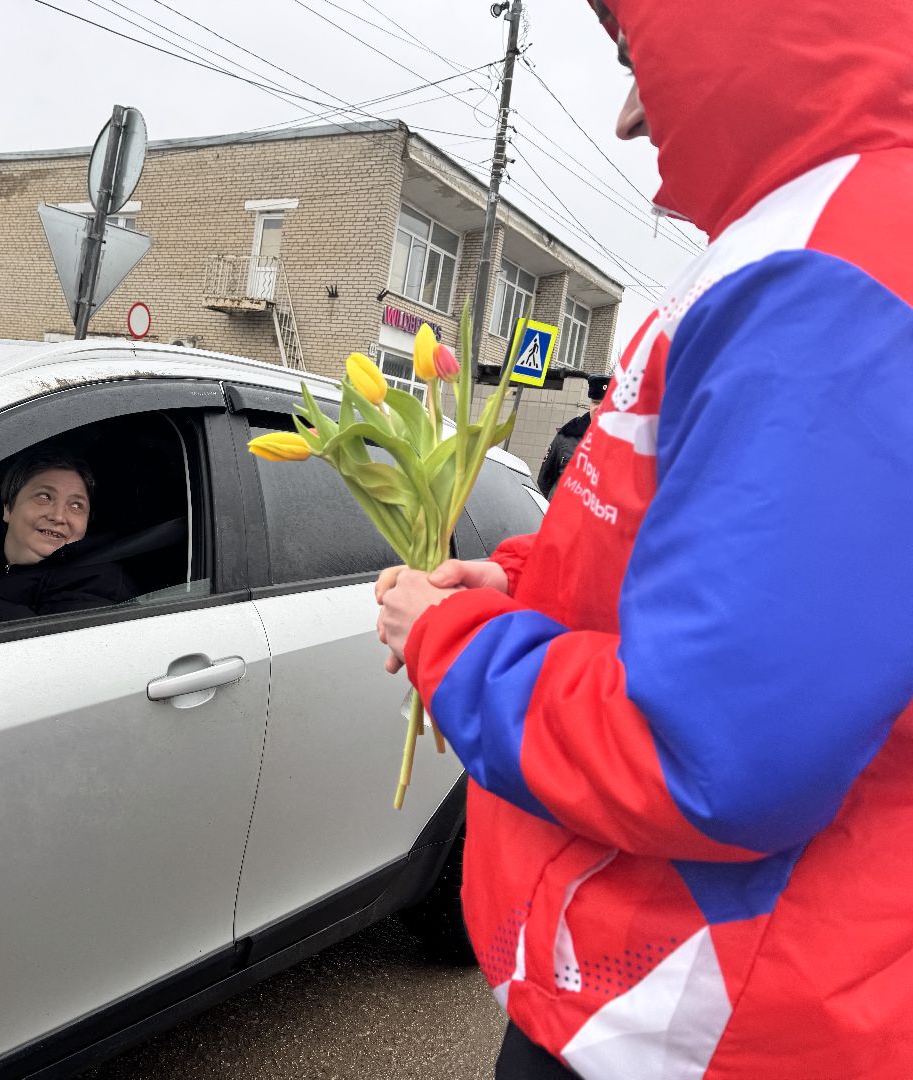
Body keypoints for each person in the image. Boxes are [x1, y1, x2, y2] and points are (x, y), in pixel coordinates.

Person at [375, 2, 913, 1077]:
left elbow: (712, 749)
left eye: (635, 52)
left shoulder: (831, 275)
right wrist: (520, 582)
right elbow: (706, 578)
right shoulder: (809, 238)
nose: (626, 116)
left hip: (702, 1018)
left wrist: (452, 643)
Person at [0, 451, 133, 621]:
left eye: (76, 505)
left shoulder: (98, 581)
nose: (58, 516)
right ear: (8, 508)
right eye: (44, 497)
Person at [536, 376, 609, 499]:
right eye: (596, 402)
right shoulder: (569, 433)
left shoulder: (626, 443)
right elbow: (544, 481)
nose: (599, 408)